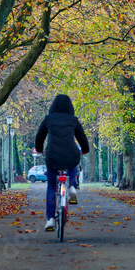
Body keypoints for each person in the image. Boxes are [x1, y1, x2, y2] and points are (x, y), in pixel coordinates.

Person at [34, 94, 89, 231]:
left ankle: (50, 219)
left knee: (52, 186)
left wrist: (40, 150)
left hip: (52, 155)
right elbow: (82, 137)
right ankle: (72, 186)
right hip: (71, 154)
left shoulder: (48, 119)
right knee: (73, 162)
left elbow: (39, 136)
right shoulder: (73, 120)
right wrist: (85, 150)